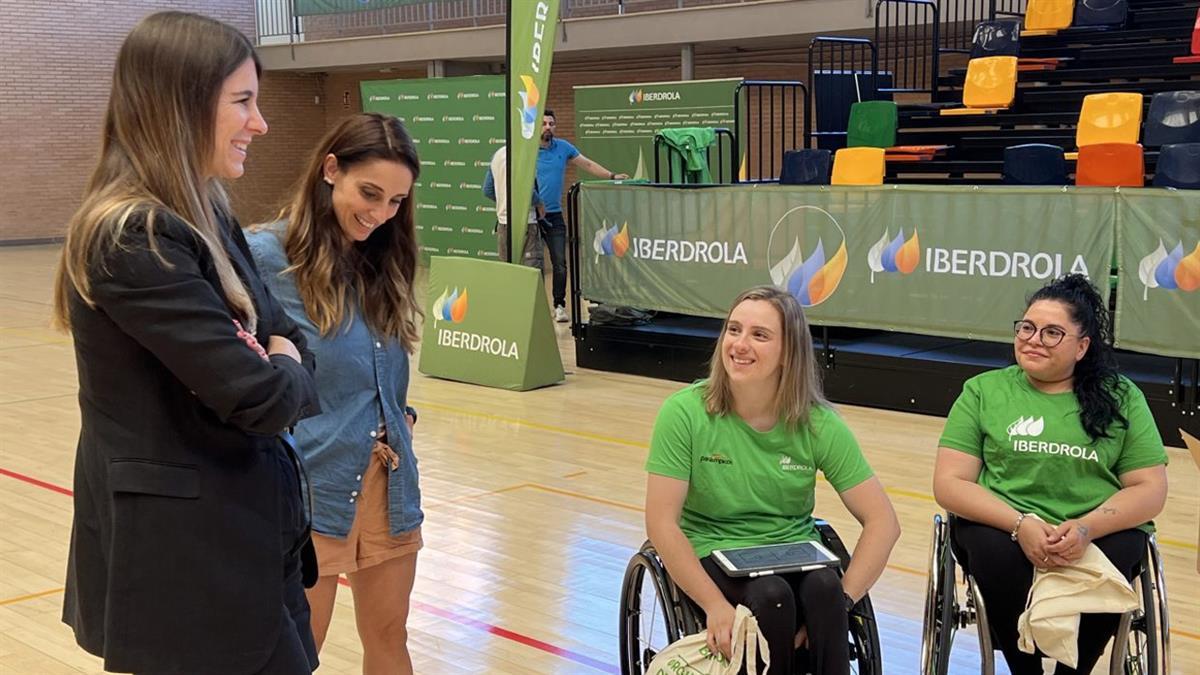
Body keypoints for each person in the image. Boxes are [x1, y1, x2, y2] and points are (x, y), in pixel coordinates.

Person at [53, 11, 320, 674]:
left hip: (248, 541)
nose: (260, 123)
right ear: (181, 106)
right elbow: (261, 395)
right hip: (188, 565)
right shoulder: (132, 237)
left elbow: (288, 334)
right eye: (243, 102)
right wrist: (278, 359)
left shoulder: (206, 208)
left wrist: (279, 353)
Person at [246, 112, 424, 675]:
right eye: (369, 193)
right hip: (308, 489)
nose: (379, 214)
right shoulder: (264, 257)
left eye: (396, 202)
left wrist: (401, 414)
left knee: (390, 634)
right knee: (301, 651)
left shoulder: (386, 258)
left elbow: (386, 371)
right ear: (330, 170)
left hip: (389, 485)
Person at [644, 285, 900, 675]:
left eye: (759, 335)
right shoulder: (684, 414)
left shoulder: (817, 423)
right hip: (714, 550)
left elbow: (884, 522)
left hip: (791, 549)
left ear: (789, 352)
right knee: (771, 595)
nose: (740, 344)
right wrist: (714, 606)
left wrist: (845, 602)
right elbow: (661, 523)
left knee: (826, 589)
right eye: (733, 330)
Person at [933, 274, 1168, 675]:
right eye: (1027, 327)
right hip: (1006, 524)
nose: (1033, 339)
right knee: (994, 556)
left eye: (1052, 332)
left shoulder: (1122, 397)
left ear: (1082, 346)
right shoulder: (983, 391)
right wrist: (1021, 524)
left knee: (1120, 557)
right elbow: (950, 483)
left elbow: (1149, 488)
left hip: (1095, 526)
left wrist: (1085, 529)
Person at [536, 108, 629, 322]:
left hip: (554, 216)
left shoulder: (563, 147)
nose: (548, 127)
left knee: (560, 263)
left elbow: (586, 163)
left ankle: (559, 305)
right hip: (531, 216)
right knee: (534, 265)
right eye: (544, 123)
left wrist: (612, 176)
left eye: (551, 123)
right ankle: (535, 308)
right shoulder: (528, 151)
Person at [482, 145, 546, 268]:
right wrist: (539, 203)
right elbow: (525, 187)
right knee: (531, 272)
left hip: (503, 224)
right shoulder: (524, 153)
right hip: (526, 223)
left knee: (508, 272)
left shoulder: (498, 155)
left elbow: (487, 190)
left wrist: (505, 200)